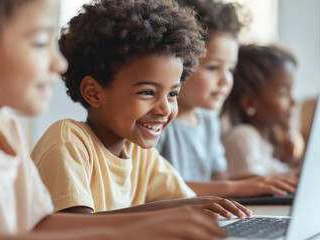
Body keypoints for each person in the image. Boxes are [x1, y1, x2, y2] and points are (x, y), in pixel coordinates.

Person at [0, 0, 230, 239]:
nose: (59, 63)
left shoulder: (6, 128)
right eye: (39, 43)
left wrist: (172, 213)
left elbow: (40, 225)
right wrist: (127, 232)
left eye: (173, 93)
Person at [31, 0, 251, 219]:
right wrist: (172, 209)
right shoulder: (69, 142)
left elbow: (188, 202)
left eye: (172, 94)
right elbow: (77, 227)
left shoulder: (141, 154)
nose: (165, 109)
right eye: (147, 92)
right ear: (94, 93)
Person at [155, 0, 298, 198]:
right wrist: (238, 187)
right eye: (213, 67)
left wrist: (278, 180)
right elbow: (156, 188)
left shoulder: (208, 120)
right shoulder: (157, 121)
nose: (226, 80)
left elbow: (219, 182)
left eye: (230, 69)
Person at [220, 44, 304, 179]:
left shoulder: (263, 142)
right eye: (284, 93)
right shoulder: (243, 137)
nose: (294, 101)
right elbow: (255, 187)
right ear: (249, 103)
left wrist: (289, 162)